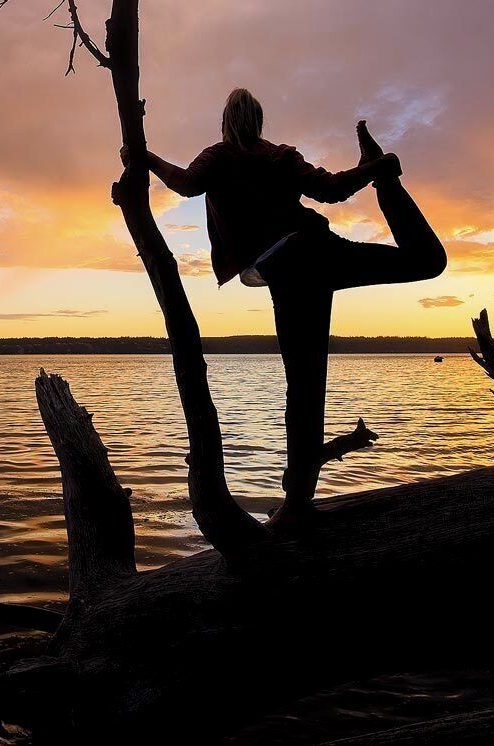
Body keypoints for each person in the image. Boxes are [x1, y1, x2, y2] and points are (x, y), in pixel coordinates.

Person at [125, 88, 446, 521]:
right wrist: (374, 171)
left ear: (227, 122)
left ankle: (297, 502)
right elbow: (331, 191)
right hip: (323, 251)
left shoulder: (219, 156)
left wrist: (146, 159)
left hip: (291, 267)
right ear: (259, 121)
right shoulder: (281, 156)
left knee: (305, 383)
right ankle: (389, 180)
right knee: (427, 261)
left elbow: (185, 185)